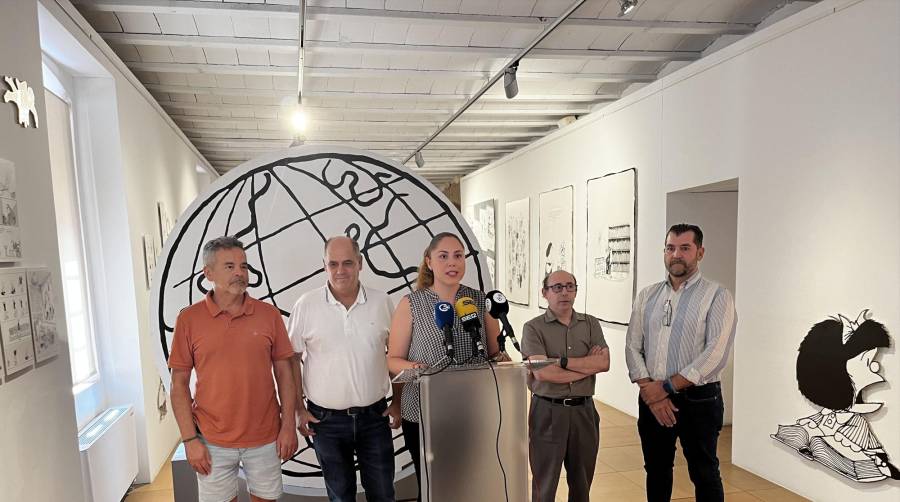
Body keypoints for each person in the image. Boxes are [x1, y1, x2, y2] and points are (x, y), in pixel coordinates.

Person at [169, 236, 297, 502]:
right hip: (211, 440)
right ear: (208, 273)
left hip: (265, 437)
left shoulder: (269, 315)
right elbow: (178, 385)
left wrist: (288, 426)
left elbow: (285, 374)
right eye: (230, 266)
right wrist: (190, 441)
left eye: (244, 266)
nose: (240, 272)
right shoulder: (188, 319)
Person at [386, 231, 506, 497]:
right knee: (433, 489)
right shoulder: (411, 304)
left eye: (458, 256)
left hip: (470, 411)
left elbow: (495, 354)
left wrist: (504, 359)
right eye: (443, 256)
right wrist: (415, 368)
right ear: (429, 261)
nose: (452, 263)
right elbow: (392, 359)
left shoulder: (478, 300)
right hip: (422, 412)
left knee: (467, 485)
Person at [625, 224, 737, 502]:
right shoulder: (647, 295)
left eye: (685, 248)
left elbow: (715, 355)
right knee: (657, 469)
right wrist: (650, 391)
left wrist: (665, 388)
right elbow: (632, 345)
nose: (676, 254)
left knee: (704, 472)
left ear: (700, 252)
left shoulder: (717, 295)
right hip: (652, 397)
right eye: (670, 248)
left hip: (699, 400)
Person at [288, 236, 401, 502]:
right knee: (340, 497)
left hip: (374, 417)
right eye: (333, 264)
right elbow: (291, 359)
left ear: (360, 263)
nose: (341, 271)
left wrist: (397, 401)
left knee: (384, 494)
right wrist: (298, 409)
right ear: (324, 266)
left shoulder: (382, 302)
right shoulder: (306, 305)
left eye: (348, 263)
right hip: (325, 422)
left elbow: (396, 356)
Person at [521, 270, 610, 502]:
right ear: (544, 293)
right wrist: (586, 365)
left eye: (570, 286)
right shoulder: (533, 328)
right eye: (557, 287)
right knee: (545, 484)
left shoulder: (590, 324)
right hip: (548, 412)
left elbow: (604, 363)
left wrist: (561, 363)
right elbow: (543, 373)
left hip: (585, 412)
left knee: (582, 484)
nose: (564, 292)